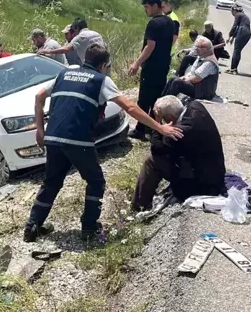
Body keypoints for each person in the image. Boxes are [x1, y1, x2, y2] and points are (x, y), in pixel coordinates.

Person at [24, 44, 183, 242]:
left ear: (85, 60)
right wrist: (160, 128)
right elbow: (130, 107)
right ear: (103, 65)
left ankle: (32, 227)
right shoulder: (101, 80)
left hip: (53, 137)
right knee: (96, 181)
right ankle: (89, 228)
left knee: (52, 181)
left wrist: (40, 129)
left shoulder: (63, 75)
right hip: (77, 138)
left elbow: (39, 96)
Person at [132, 95, 226, 212]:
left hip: (203, 185)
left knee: (151, 161)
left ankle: (140, 206)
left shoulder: (180, 132)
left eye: (162, 117)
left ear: (170, 118)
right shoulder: (196, 106)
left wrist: (158, 124)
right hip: (215, 172)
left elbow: (156, 149)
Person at [128, 0, 175, 140]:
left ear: (155, 6)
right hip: (163, 66)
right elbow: (172, 41)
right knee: (156, 98)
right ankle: (154, 129)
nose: (145, 10)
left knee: (143, 100)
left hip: (151, 67)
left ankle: (140, 130)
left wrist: (137, 63)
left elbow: (150, 46)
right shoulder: (170, 22)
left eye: (147, 7)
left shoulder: (153, 24)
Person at [38, 17, 104, 64]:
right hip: (104, 64)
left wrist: (48, 51)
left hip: (94, 67)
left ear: (77, 28)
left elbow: (66, 49)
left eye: (74, 30)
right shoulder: (97, 34)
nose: (74, 33)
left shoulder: (81, 36)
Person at [227, 5, 251, 74]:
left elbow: (235, 26)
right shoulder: (243, 15)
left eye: (232, 11)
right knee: (238, 50)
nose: (232, 13)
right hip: (247, 33)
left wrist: (229, 35)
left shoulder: (238, 15)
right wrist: (233, 37)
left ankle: (233, 69)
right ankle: (234, 69)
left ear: (235, 10)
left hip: (242, 31)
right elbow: (238, 27)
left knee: (236, 50)